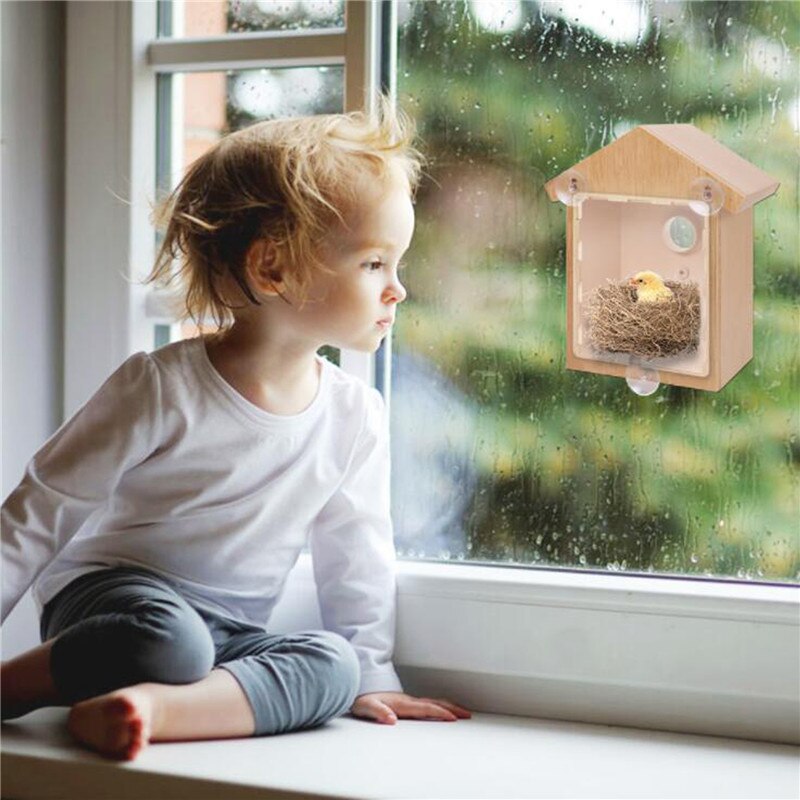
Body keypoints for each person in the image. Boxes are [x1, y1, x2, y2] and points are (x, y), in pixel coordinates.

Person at [0, 97, 471, 761]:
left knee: (330, 667)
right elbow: (43, 508)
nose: (397, 289)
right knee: (169, 641)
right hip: (117, 606)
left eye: (397, 266)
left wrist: (371, 673)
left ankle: (147, 712)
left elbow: (357, 551)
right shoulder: (161, 387)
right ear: (272, 268)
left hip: (230, 633)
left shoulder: (353, 415)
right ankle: (10, 688)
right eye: (374, 264)